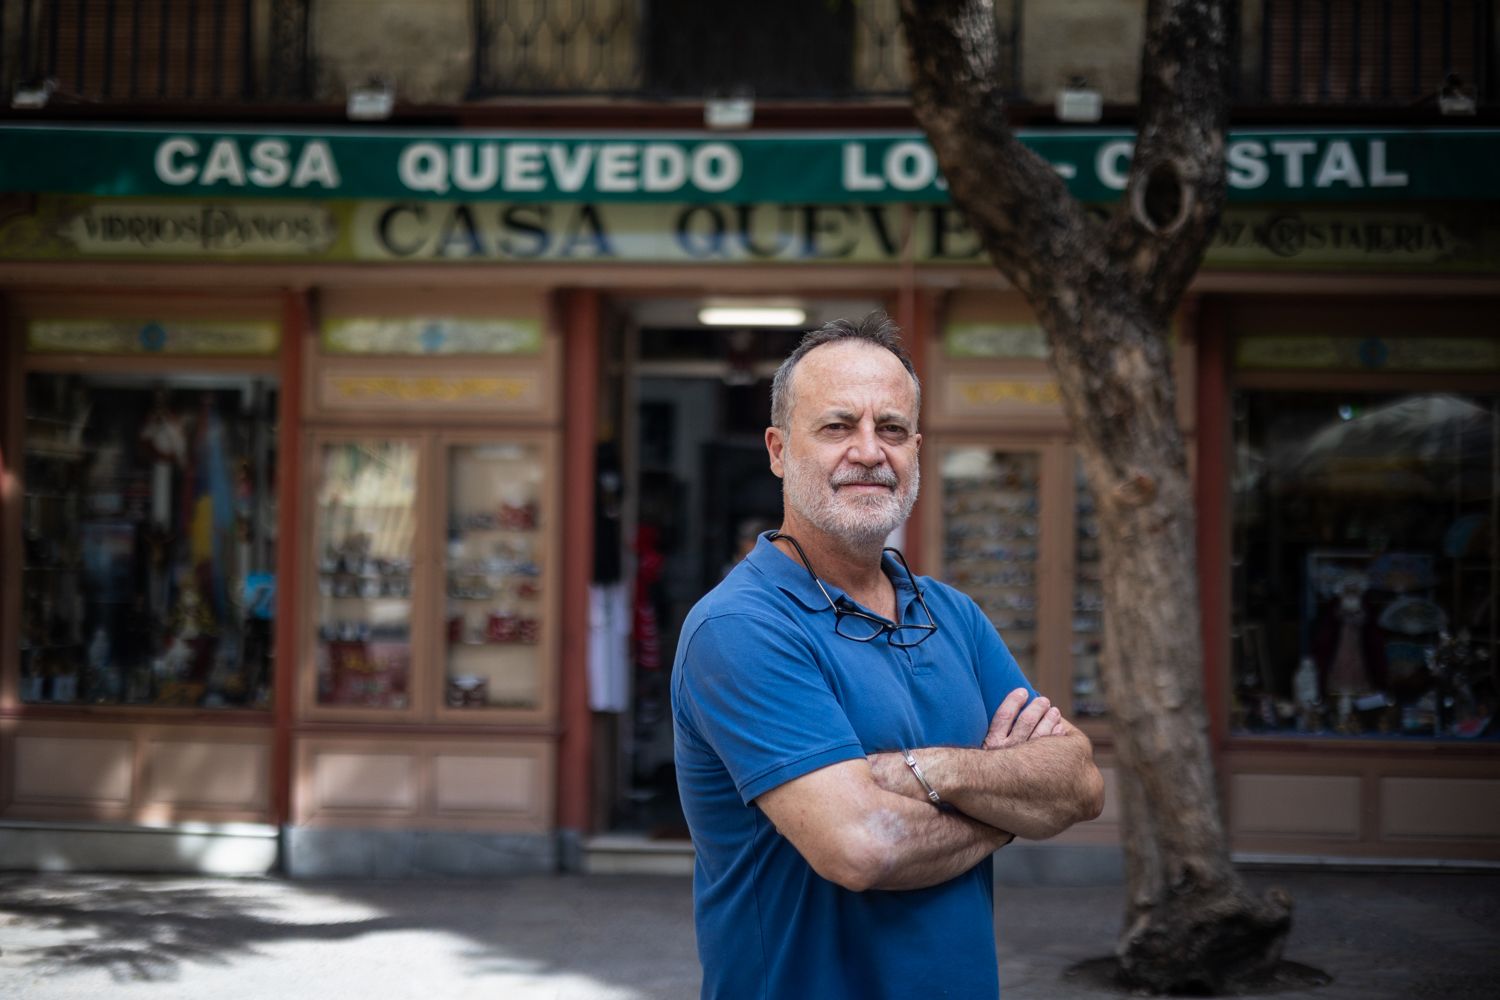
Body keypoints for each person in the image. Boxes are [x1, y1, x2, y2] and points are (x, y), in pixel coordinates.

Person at [671, 312, 1105, 999]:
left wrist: (923, 771)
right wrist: (1006, 799)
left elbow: (1079, 783)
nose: (870, 452)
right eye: (838, 426)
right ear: (780, 450)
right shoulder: (739, 626)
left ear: (917, 450)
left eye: (892, 429)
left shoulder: (950, 614)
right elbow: (863, 848)